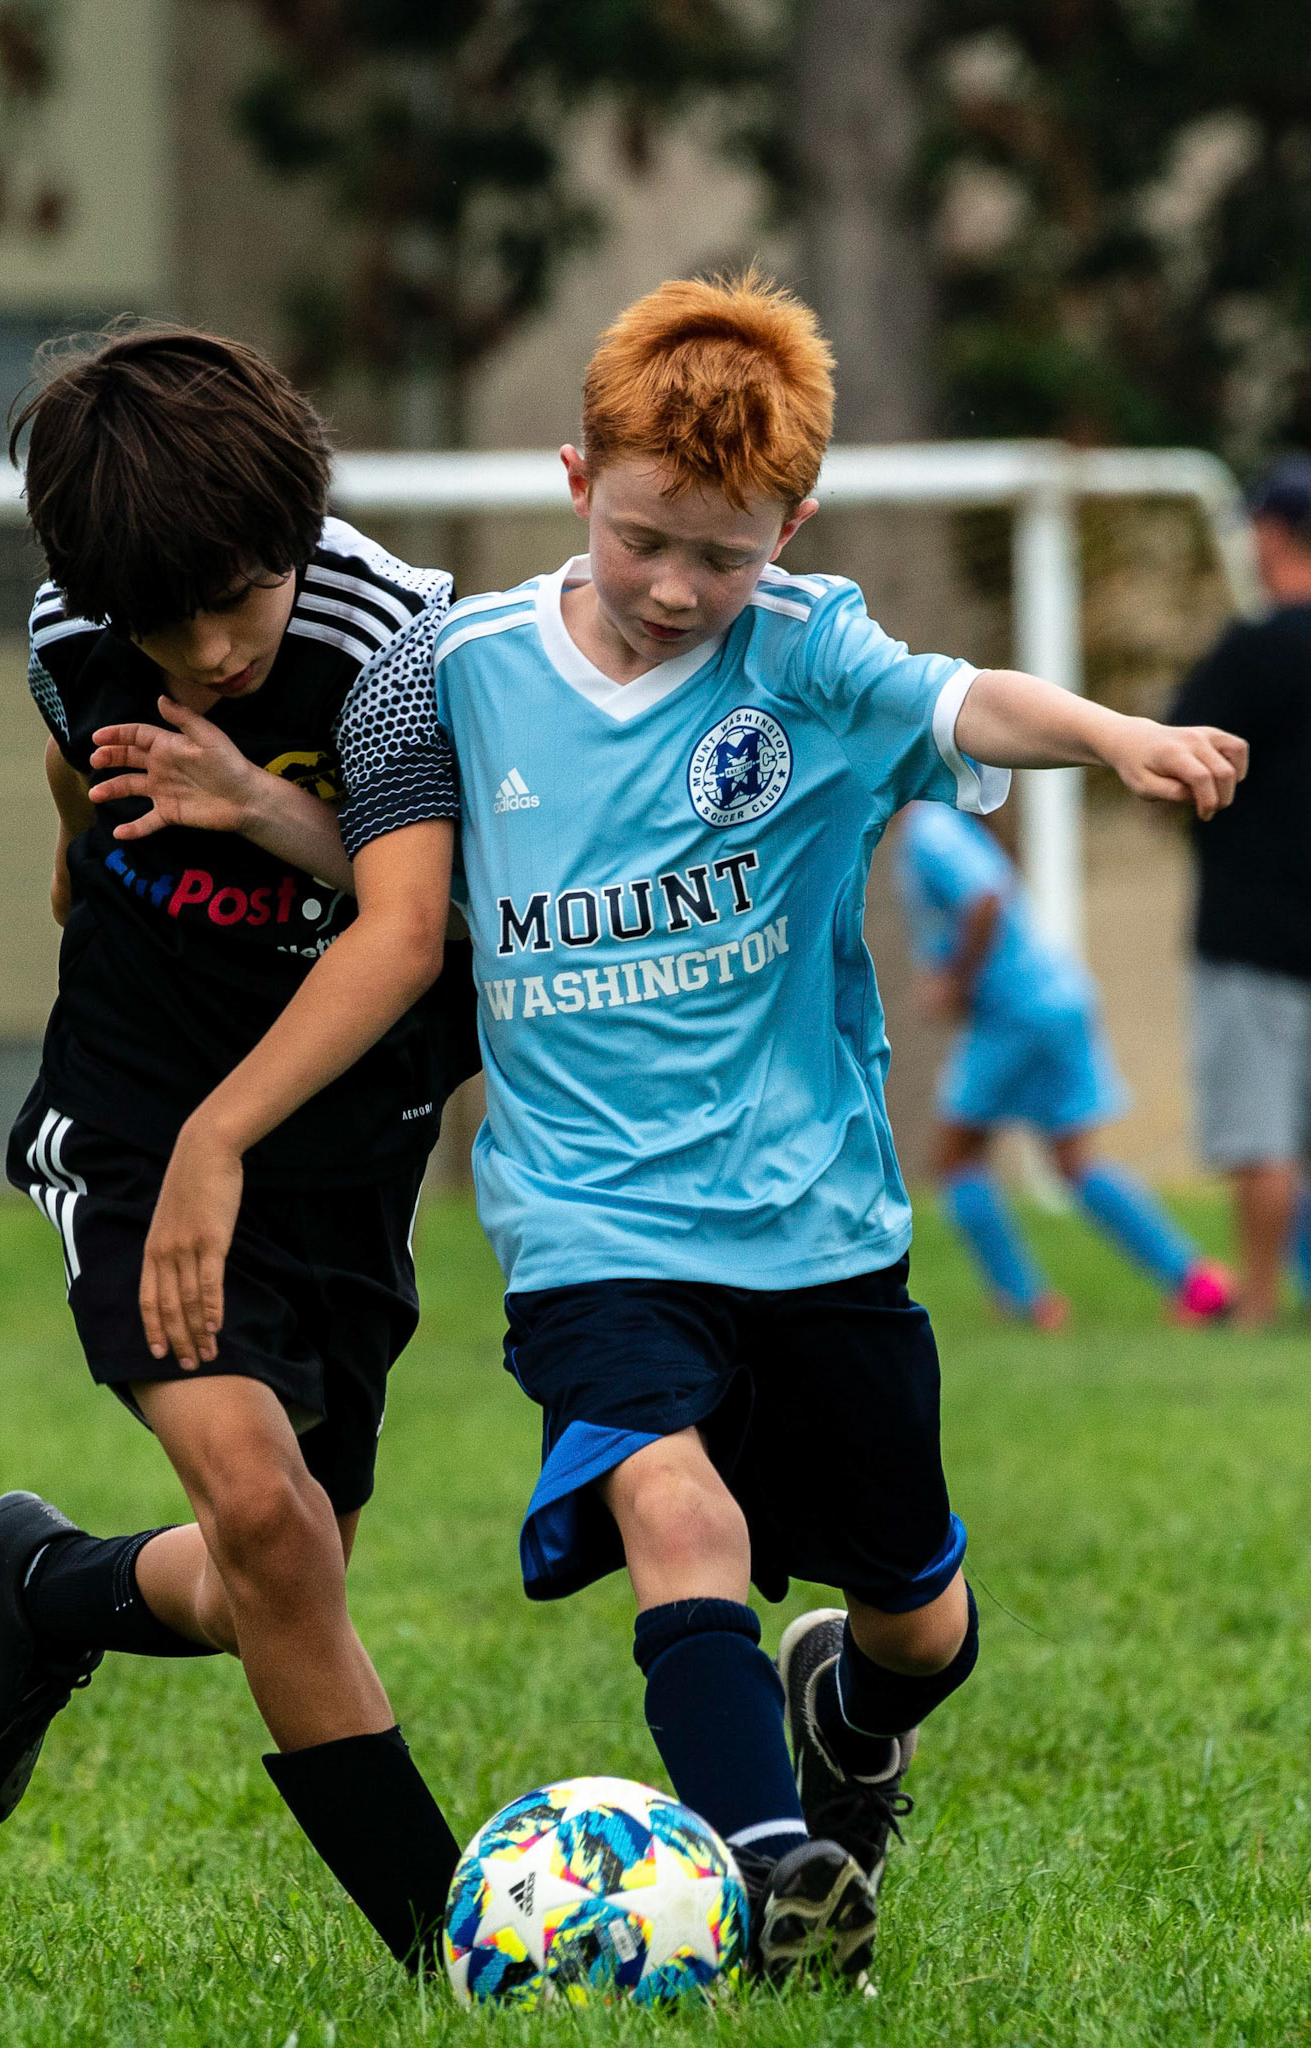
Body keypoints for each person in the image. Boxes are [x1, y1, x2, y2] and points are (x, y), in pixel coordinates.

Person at [132, 275, 1247, 1986]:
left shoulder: (808, 653)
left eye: (720, 555)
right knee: (675, 1503)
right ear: (578, 480)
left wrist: (1121, 737)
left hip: (816, 1220)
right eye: (646, 536)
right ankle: (762, 1865)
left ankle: (847, 1728)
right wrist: (270, 814)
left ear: (787, 526)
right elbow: (410, 900)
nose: (674, 587)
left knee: (921, 1626)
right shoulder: (466, 671)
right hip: (589, 1220)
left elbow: (970, 706)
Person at [0, 325, 477, 1971]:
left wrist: (251, 807)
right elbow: (67, 747)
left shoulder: (396, 641)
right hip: (130, 1106)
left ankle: (51, 1586)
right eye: (163, 626)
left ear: (295, 531)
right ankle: (460, 1952)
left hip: (332, 1130)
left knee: (290, 1565)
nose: (208, 648)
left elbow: (406, 926)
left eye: (235, 602)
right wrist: (71, 858)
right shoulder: (79, 621)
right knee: (266, 1521)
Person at [893, 801, 1235, 1328]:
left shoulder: (930, 824)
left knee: (956, 1158)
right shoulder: (952, 823)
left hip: (1014, 1012)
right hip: (1057, 999)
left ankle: (1027, 1303)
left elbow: (984, 900)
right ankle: (1196, 1283)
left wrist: (954, 980)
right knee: (1075, 1161)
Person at [1171, 455, 1311, 1326]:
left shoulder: (1255, 651)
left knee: (1261, 1136)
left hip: (1253, 933)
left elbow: (1178, 756)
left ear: (1268, 534)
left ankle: (1256, 1302)